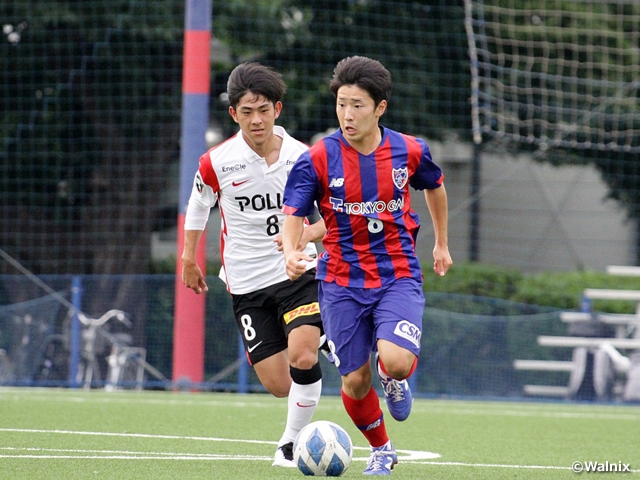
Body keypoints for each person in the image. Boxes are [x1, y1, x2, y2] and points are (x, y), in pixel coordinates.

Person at [281, 56, 452, 476]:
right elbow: (293, 213)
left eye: (357, 105)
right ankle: (383, 450)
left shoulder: (409, 150)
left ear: (380, 108)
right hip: (339, 281)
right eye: (341, 104)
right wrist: (290, 251)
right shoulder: (319, 157)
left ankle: (392, 377)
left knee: (394, 361)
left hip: (397, 274)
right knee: (355, 383)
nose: (347, 114)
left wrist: (442, 243)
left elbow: (435, 187)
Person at [181, 62, 327, 468]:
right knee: (280, 385)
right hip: (245, 282)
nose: (256, 119)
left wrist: (302, 240)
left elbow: (331, 220)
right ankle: (324, 334)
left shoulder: (305, 157)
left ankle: (290, 442)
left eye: (263, 109)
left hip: (297, 271)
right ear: (233, 114)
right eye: (247, 112)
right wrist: (188, 257)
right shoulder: (217, 161)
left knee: (302, 355)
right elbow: (198, 203)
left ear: (277, 109)